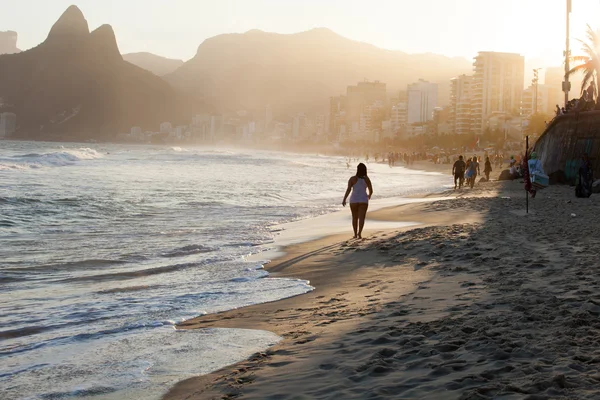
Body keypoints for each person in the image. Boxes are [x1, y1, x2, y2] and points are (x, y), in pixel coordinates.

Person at [342, 163, 373, 239]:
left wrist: (344, 199)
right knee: (361, 218)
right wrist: (369, 196)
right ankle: (359, 234)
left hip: (354, 200)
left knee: (354, 217)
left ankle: (355, 234)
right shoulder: (366, 179)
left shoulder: (352, 179)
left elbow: (348, 190)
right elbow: (371, 190)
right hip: (363, 200)